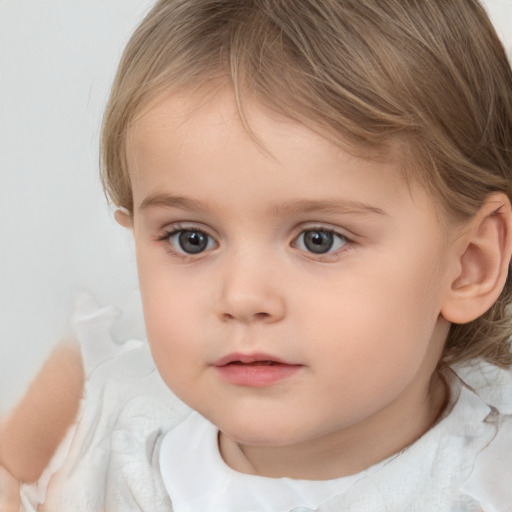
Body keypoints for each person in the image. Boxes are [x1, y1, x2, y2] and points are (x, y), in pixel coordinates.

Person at [13, 0, 512, 510]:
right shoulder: (105, 402)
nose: (242, 297)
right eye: (192, 239)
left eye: (320, 239)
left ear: (470, 264)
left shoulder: (487, 485)